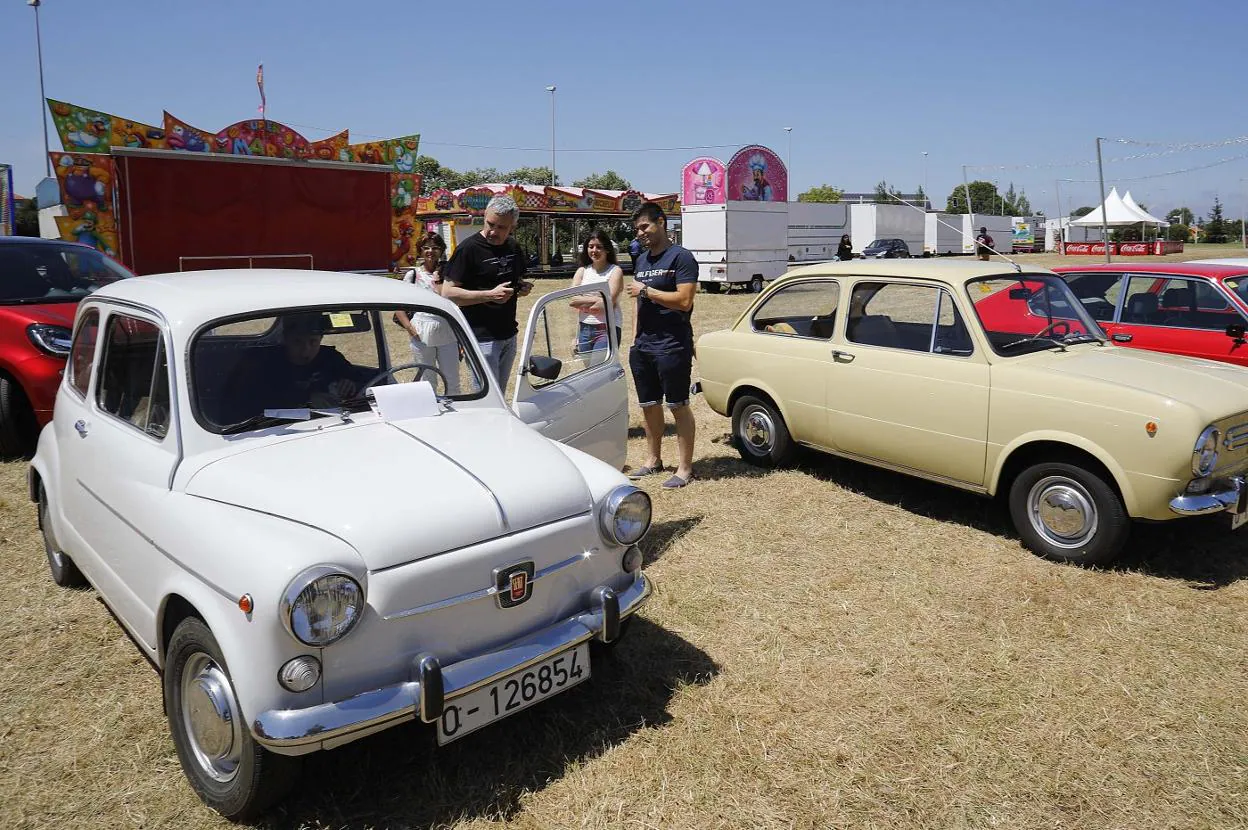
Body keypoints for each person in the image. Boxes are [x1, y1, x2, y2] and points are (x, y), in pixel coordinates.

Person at [624, 201, 698, 489]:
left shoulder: (681, 258)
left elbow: (684, 300)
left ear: (661, 222)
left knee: (677, 406)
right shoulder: (642, 260)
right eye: (637, 229)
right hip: (643, 347)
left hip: (672, 344)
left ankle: (685, 468)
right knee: (649, 406)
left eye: (644, 227)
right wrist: (634, 339)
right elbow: (637, 304)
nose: (640, 233)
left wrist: (648, 290)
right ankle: (653, 460)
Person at [441, 194, 533, 386]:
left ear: (512, 227)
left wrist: (522, 288)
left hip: (509, 334)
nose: (493, 231)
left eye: (501, 227)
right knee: (487, 398)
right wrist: (488, 295)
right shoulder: (468, 249)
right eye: (490, 224)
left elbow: (515, 281)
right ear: (484, 218)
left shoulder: (513, 247)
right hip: (481, 338)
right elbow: (447, 293)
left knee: (500, 393)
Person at [221, 312, 361, 423]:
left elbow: (359, 380)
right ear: (285, 338)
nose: (305, 350)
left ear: (321, 339)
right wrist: (309, 400)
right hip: (276, 429)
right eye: (297, 342)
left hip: (332, 423)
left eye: (313, 342)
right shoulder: (263, 364)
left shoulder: (331, 357)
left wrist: (350, 383)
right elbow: (249, 405)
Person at [394, 234, 460, 395]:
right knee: (427, 379)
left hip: (447, 330)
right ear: (420, 251)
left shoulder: (449, 273)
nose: (431, 251)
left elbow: (453, 298)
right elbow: (398, 305)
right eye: (426, 247)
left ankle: (456, 412)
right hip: (421, 331)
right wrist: (409, 328)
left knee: (452, 379)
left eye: (435, 247)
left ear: (442, 250)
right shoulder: (413, 275)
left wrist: (438, 279)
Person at [569, 229, 624, 353]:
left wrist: (584, 303)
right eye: (591, 246)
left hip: (607, 329)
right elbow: (572, 301)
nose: (594, 250)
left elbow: (606, 304)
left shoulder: (615, 271)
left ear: (607, 249)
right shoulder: (582, 271)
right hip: (584, 328)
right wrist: (598, 299)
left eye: (599, 247)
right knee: (589, 371)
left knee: (601, 370)